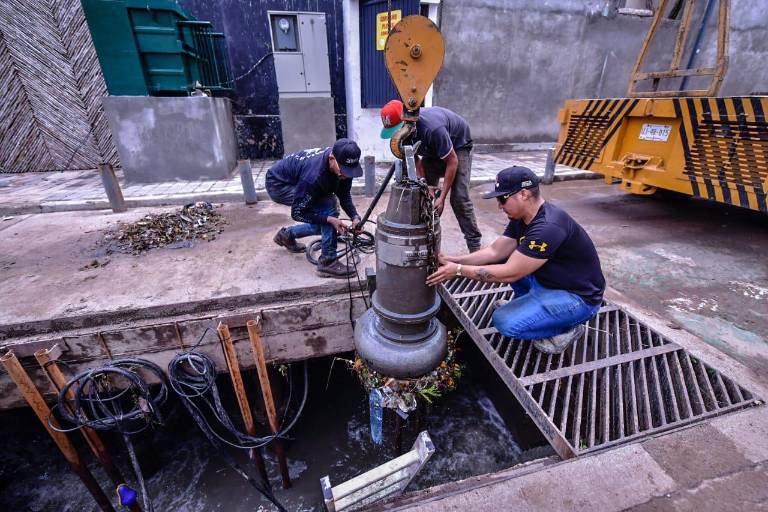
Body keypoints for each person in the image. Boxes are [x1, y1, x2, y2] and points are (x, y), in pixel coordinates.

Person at [426, 166, 605, 354]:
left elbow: (510, 273)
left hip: (577, 298)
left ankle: (567, 328)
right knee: (502, 260)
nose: (499, 205)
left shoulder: (548, 227)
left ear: (524, 194)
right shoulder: (522, 217)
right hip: (550, 281)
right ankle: (529, 307)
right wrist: (453, 259)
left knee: (505, 323)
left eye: (502, 198)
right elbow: (495, 251)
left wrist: (458, 270)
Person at [380, 100, 482, 252]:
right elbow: (417, 162)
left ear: (407, 122)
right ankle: (427, 241)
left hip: (458, 144)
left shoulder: (433, 129)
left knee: (459, 198)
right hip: (431, 149)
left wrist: (442, 198)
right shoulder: (403, 135)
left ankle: (475, 247)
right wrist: (426, 185)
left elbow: (452, 162)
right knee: (422, 194)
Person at [265, 139, 364, 278]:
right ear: (331, 158)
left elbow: (344, 194)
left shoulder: (342, 163)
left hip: (298, 181)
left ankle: (286, 235)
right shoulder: (313, 177)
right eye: (344, 171)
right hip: (279, 185)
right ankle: (328, 262)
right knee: (329, 206)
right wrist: (329, 218)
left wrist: (355, 217)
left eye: (350, 171)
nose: (346, 175)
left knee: (325, 225)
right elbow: (298, 213)